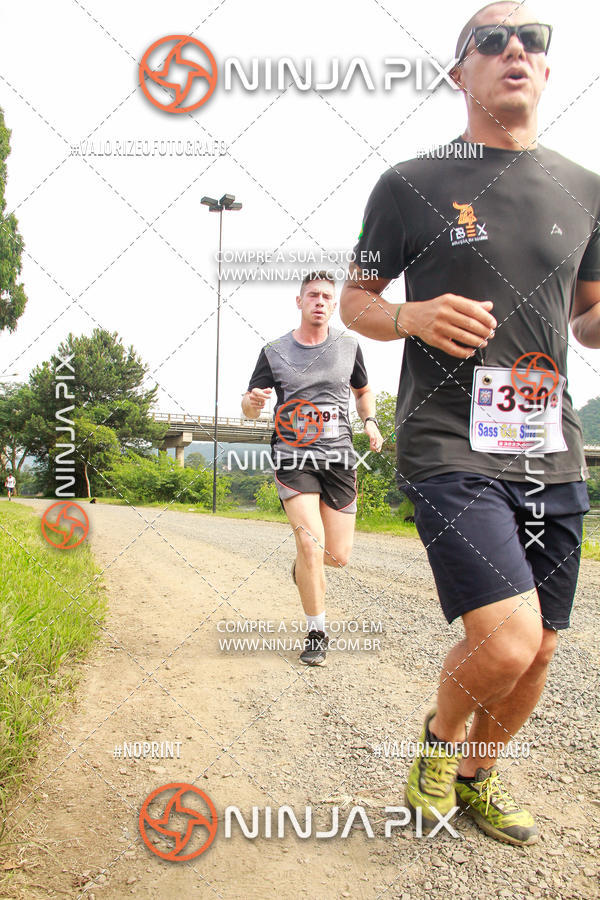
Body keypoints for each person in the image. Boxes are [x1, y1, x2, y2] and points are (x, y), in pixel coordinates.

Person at [340, 2, 600, 845]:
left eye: (533, 40)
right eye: (491, 40)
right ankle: (438, 746)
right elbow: (356, 303)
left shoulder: (586, 189)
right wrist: (410, 319)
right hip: (448, 437)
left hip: (549, 441)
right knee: (509, 636)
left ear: (549, 68)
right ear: (461, 72)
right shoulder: (412, 183)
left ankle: (479, 778)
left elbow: (589, 317)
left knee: (544, 649)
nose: (514, 50)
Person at [242, 271, 382, 666]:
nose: (319, 301)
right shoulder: (274, 351)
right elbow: (249, 406)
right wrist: (252, 402)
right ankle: (317, 632)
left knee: (335, 556)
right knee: (310, 543)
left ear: (334, 305)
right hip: (293, 455)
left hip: (339, 457)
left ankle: (305, 568)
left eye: (326, 296)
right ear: (299, 302)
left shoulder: (350, 346)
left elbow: (363, 391)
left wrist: (369, 420)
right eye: (312, 295)